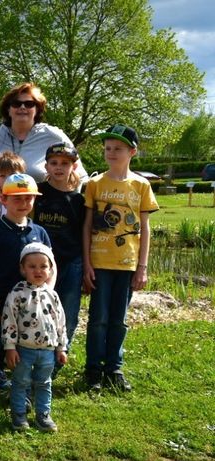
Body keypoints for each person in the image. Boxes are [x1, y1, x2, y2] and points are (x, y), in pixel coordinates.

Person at [83, 124, 157, 392]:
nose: (111, 153)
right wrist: (87, 264)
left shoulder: (141, 185)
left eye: (118, 149)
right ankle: (93, 370)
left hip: (127, 264)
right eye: (108, 148)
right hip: (100, 264)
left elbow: (145, 228)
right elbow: (87, 225)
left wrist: (142, 267)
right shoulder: (94, 184)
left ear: (132, 151)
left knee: (119, 320)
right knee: (98, 319)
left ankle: (114, 368)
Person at [0, 173, 52, 413]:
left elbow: (51, 266)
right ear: (4, 199)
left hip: (28, 308)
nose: (23, 203)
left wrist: (47, 293)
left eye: (29, 198)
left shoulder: (39, 231)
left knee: (23, 350)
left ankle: (20, 393)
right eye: (17, 198)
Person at [0, 82, 86, 201]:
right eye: (16, 103)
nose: (22, 107)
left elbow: (79, 175)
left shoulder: (54, 136)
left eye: (29, 104)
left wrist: (68, 204)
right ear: (8, 109)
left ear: (37, 109)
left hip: (40, 215)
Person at [2, 243, 67, 433]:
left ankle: (43, 415)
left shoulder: (52, 295)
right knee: (20, 381)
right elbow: (9, 320)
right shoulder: (17, 293)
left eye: (43, 266)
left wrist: (61, 347)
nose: (38, 270)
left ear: (50, 269)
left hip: (47, 350)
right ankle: (19, 415)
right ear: (23, 269)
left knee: (44, 383)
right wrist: (10, 347)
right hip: (24, 349)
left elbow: (60, 322)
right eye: (32, 266)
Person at [32, 143, 85, 365]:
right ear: (46, 166)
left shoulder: (78, 200)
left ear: (73, 166)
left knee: (67, 312)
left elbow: (84, 234)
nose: (59, 167)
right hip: (39, 263)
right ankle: (35, 358)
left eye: (65, 163)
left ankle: (58, 358)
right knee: (36, 312)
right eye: (54, 163)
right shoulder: (37, 192)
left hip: (71, 262)